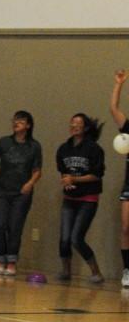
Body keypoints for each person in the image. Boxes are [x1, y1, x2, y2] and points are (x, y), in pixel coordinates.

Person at [0, 110, 42, 276]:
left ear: (28, 125)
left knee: (15, 226)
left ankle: (11, 261)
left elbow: (38, 171)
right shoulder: (4, 142)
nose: (16, 123)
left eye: (21, 121)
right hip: (2, 191)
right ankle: (0, 258)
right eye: (15, 120)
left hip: (21, 194)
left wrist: (30, 183)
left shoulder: (34, 146)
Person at [55, 113, 105, 283]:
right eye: (72, 122)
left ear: (85, 128)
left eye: (78, 123)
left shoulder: (93, 149)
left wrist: (74, 179)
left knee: (76, 238)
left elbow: (97, 175)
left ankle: (96, 272)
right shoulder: (63, 149)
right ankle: (66, 271)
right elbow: (63, 170)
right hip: (70, 198)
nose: (74, 125)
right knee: (64, 238)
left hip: (88, 199)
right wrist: (66, 180)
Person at [110, 70, 129, 288]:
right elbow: (114, 109)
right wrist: (119, 84)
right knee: (126, 227)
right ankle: (127, 270)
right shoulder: (128, 127)